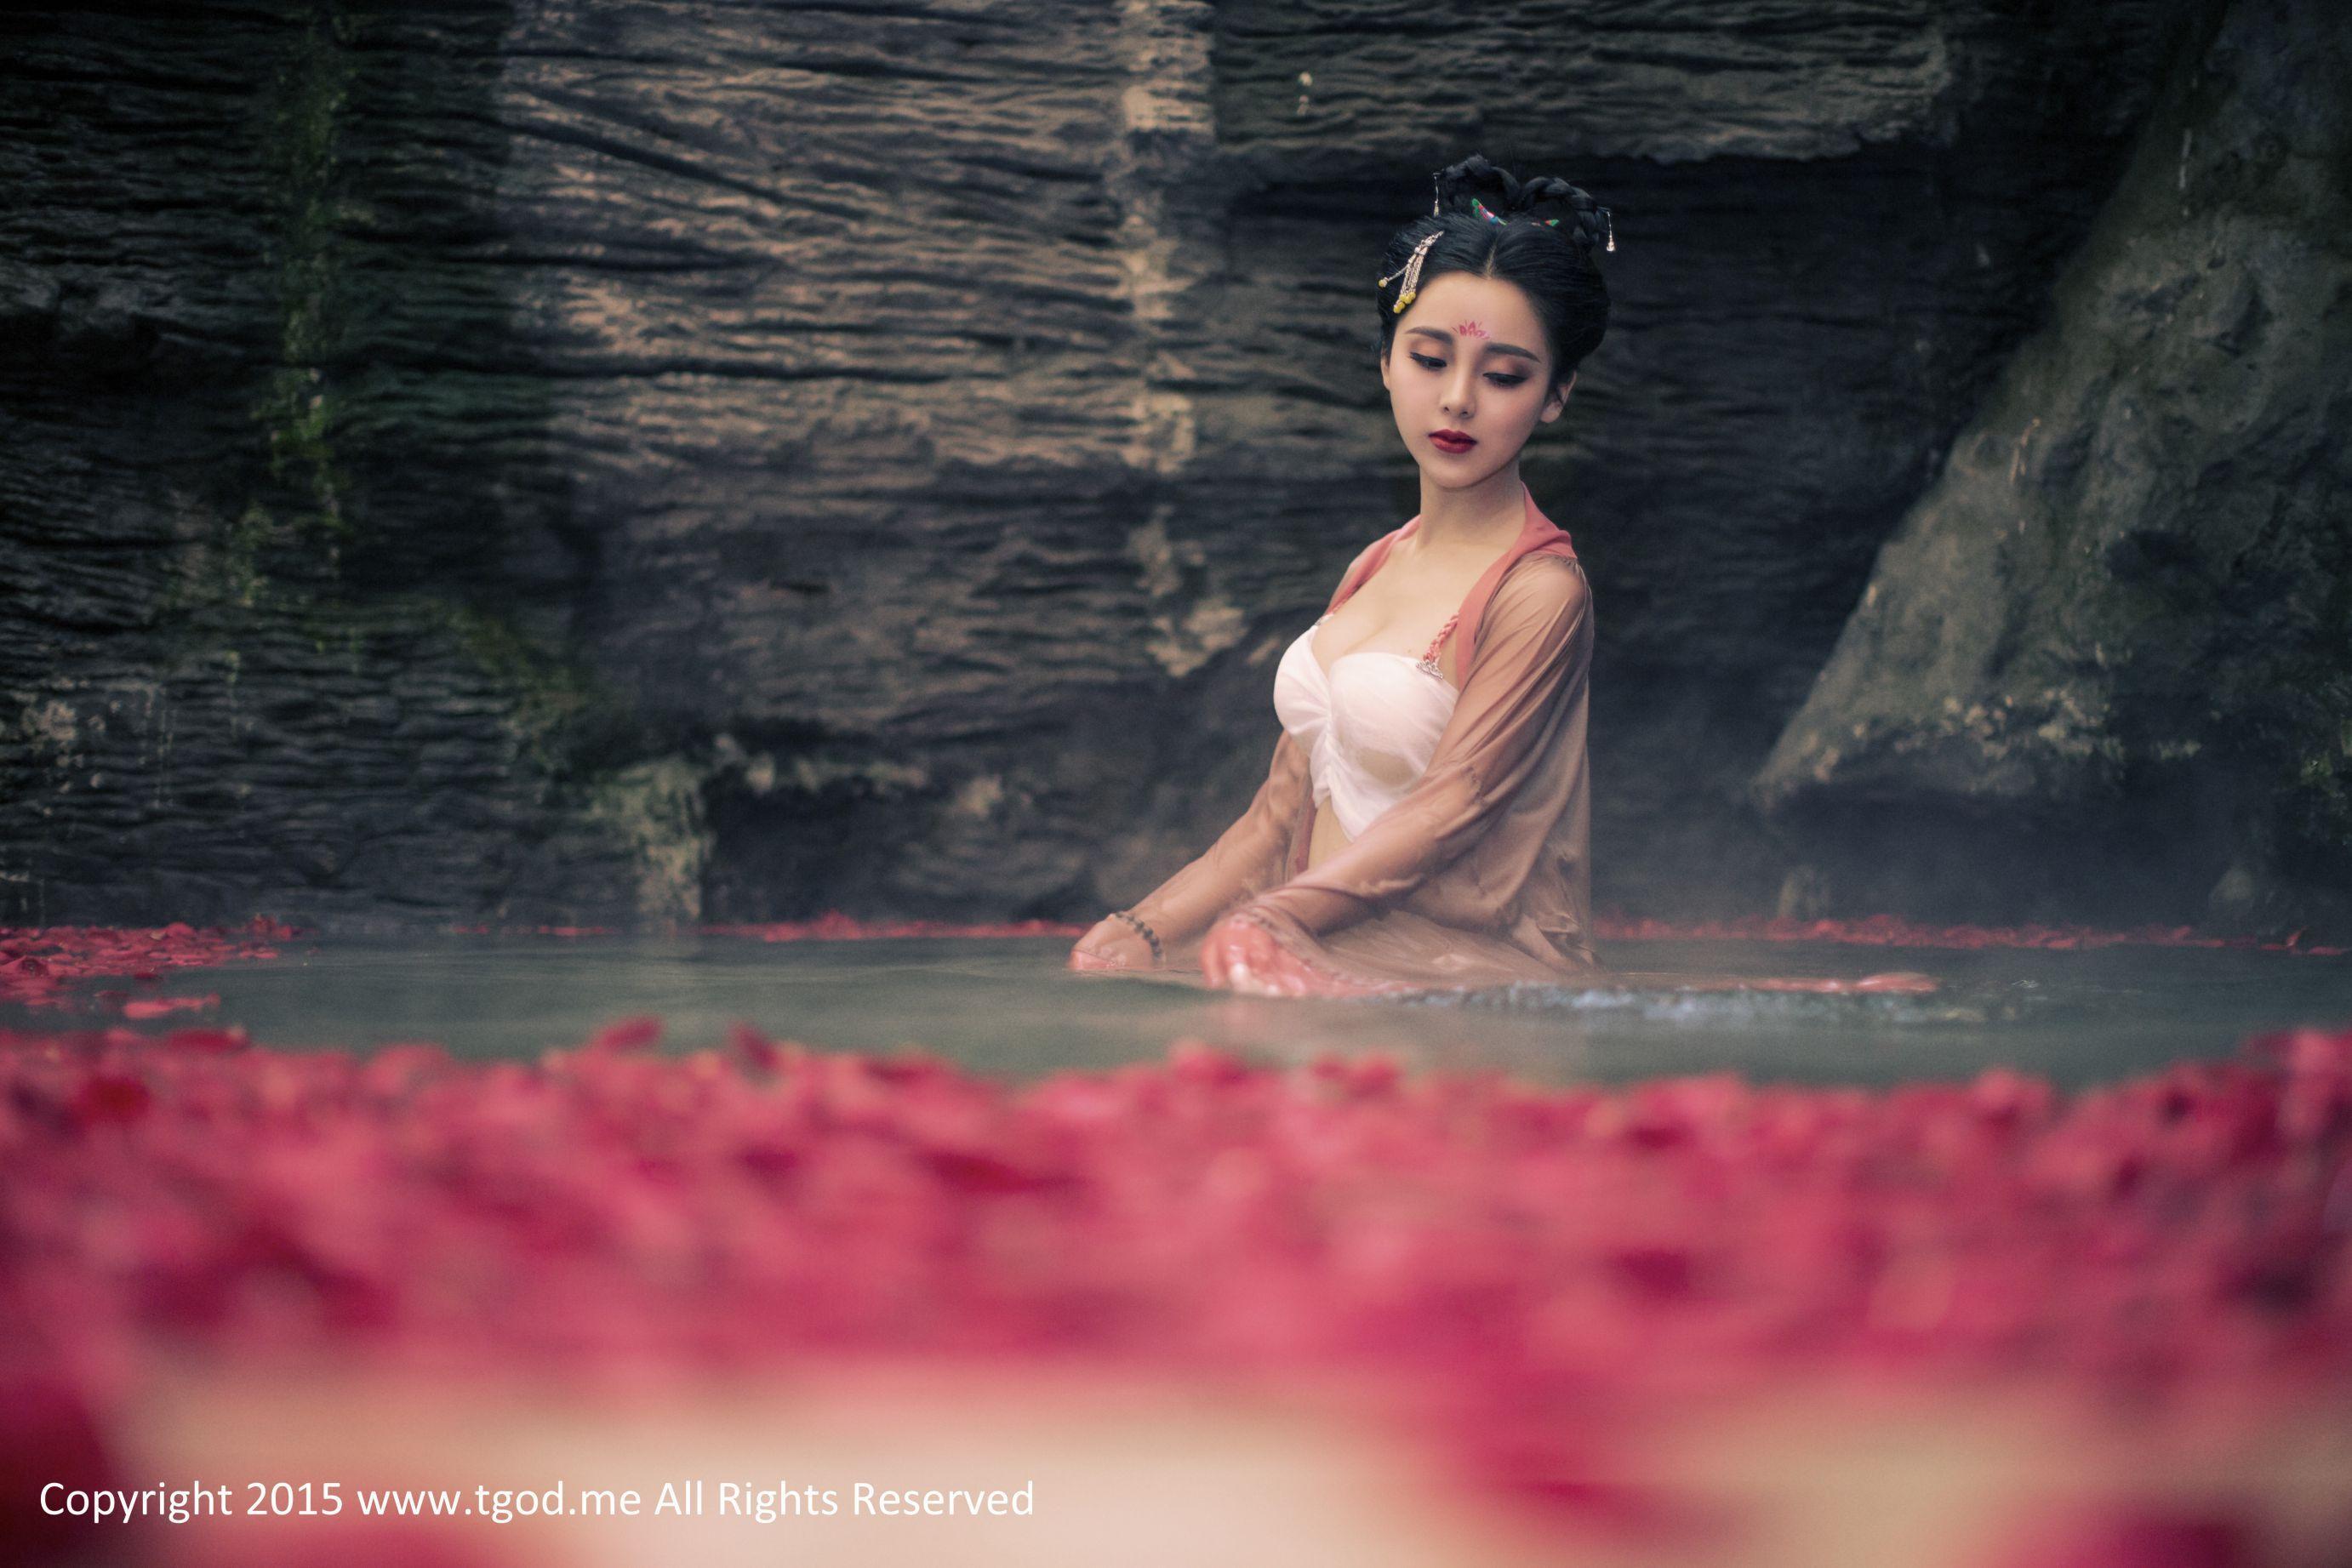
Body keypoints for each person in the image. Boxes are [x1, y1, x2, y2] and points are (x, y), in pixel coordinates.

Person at [1069, 155, 1613, 998]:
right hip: (1329, 942)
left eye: (1503, 376)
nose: (1457, 399)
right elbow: (1277, 816)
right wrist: (1143, 926)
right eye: (1429, 358)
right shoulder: (1376, 564)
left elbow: (1454, 804)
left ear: (1553, 396)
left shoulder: (1540, 592)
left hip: (1465, 980)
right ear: (1385, 361)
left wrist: (1274, 922)